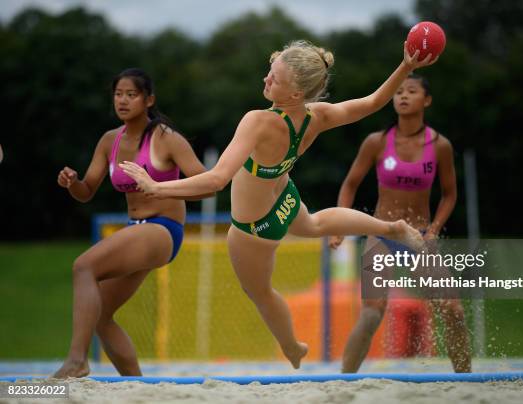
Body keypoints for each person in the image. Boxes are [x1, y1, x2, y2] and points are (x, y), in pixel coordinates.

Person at [120, 40, 435, 369]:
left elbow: (216, 180)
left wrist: (157, 187)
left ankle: (292, 347)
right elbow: (372, 103)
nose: (266, 80)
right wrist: (405, 67)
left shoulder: (258, 121)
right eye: (270, 72)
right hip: (285, 198)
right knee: (312, 225)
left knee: (261, 293)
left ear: (296, 93)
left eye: (275, 78)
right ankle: (390, 228)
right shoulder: (317, 116)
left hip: (254, 228)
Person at [53, 68, 213, 378]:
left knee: (83, 266)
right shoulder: (109, 140)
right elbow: (86, 192)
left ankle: (76, 360)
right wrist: (72, 182)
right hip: (137, 230)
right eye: (118, 94)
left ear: (148, 99)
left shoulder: (166, 138)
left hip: (164, 229)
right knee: (100, 316)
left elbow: (209, 184)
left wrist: (161, 188)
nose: (123, 101)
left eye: (131, 94)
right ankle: (136, 387)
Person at [328, 74, 471, 373]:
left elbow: (449, 195)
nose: (403, 96)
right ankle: (343, 383)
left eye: (411, 91)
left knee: (453, 310)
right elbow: (350, 184)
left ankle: (465, 380)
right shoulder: (376, 142)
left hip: (418, 236)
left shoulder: (440, 145)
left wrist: (433, 231)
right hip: (381, 233)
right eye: (398, 92)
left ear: (427, 100)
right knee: (370, 315)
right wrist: (340, 224)